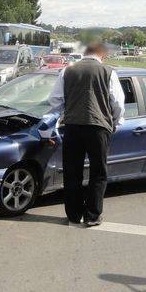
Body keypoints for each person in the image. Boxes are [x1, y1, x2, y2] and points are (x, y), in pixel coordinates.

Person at [48, 42, 125, 226]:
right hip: (99, 128)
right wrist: (115, 123)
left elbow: (55, 100)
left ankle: (74, 215)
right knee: (98, 173)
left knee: (72, 172)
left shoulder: (67, 71)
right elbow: (118, 103)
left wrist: (55, 120)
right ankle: (92, 215)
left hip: (73, 126)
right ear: (101, 55)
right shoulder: (108, 72)